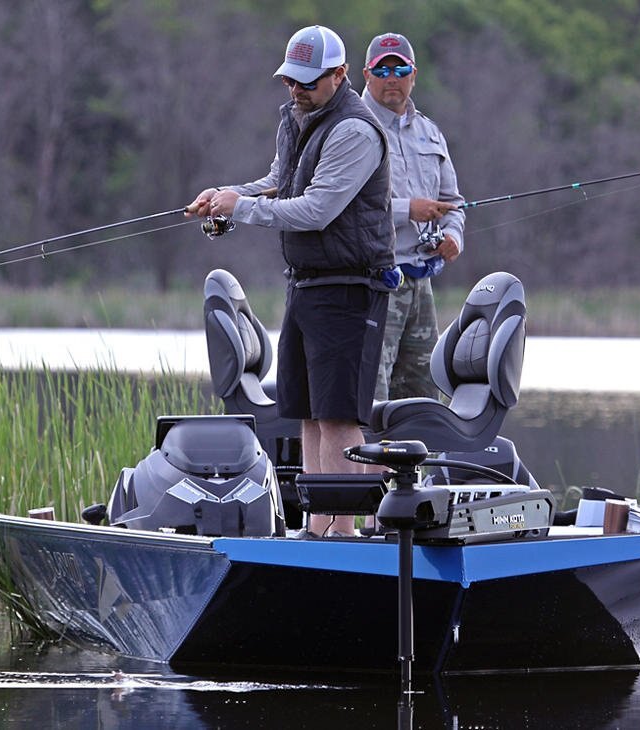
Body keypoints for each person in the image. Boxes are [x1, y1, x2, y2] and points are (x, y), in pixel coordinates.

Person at [188, 25, 396, 538]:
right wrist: (224, 195)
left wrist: (246, 208)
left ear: (340, 74)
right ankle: (318, 526)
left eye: (308, 81)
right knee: (305, 410)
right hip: (306, 284)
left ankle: (342, 531)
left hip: (350, 287)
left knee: (338, 415)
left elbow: (318, 208)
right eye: (290, 81)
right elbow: (280, 180)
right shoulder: (297, 118)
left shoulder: (355, 130)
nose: (297, 90)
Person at [361, 33, 466, 401]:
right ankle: (367, 462)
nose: (392, 77)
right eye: (383, 69)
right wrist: (409, 210)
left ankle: (419, 461)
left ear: (413, 75)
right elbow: (345, 210)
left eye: (400, 68)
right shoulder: (353, 129)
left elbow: (454, 202)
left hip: (422, 285)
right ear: (367, 75)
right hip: (375, 284)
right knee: (371, 400)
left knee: (425, 400)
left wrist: (453, 236)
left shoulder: (430, 132)